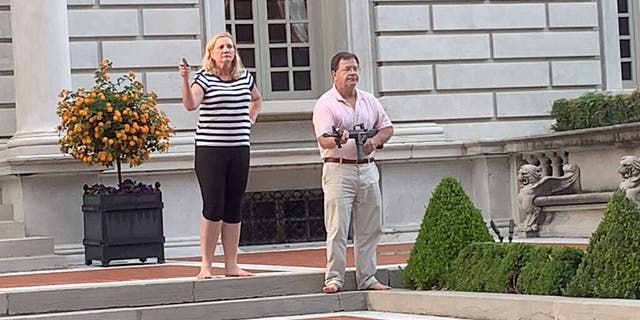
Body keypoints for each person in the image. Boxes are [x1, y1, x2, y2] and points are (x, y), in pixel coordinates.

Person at [178, 32, 262, 279]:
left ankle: (231, 264)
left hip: (239, 148)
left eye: (230, 46)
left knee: (233, 207)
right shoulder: (204, 79)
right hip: (210, 151)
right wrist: (185, 79)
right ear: (212, 54)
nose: (227, 50)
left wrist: (251, 116)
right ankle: (206, 264)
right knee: (213, 206)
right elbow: (191, 104)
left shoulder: (245, 78)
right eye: (221, 47)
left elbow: (256, 98)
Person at [312, 51, 394, 293]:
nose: (353, 73)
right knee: (338, 227)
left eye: (355, 68)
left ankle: (368, 277)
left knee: (370, 226)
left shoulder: (369, 100)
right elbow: (323, 139)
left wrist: (375, 140)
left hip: (368, 168)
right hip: (339, 169)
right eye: (347, 69)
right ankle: (334, 278)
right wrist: (339, 138)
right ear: (334, 74)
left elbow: (388, 128)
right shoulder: (325, 104)